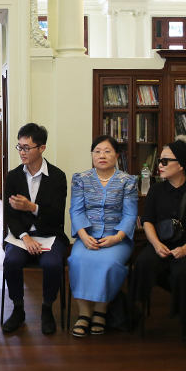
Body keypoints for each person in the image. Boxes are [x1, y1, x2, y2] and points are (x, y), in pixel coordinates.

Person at [130, 137, 186, 341]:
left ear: (181, 165)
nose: (159, 165)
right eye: (160, 160)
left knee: (182, 271)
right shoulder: (156, 190)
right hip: (163, 242)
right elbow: (148, 221)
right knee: (143, 262)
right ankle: (134, 311)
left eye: (165, 161)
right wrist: (156, 244)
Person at [1, 123, 68, 335]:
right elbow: (10, 215)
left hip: (50, 234)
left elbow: (57, 215)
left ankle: (47, 309)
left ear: (41, 148)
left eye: (27, 148)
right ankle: (18, 309)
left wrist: (33, 207)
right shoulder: (13, 177)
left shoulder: (57, 177)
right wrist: (24, 237)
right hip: (21, 235)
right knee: (11, 261)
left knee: (52, 263)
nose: (22, 152)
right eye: (19, 147)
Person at [68, 135, 138, 336]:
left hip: (117, 237)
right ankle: (84, 313)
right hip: (87, 235)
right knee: (77, 259)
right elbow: (76, 211)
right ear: (91, 155)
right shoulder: (81, 179)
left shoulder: (128, 181)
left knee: (108, 264)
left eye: (107, 151)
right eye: (97, 151)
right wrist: (82, 235)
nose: (102, 155)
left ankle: (101, 310)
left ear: (117, 155)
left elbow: (131, 214)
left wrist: (117, 238)